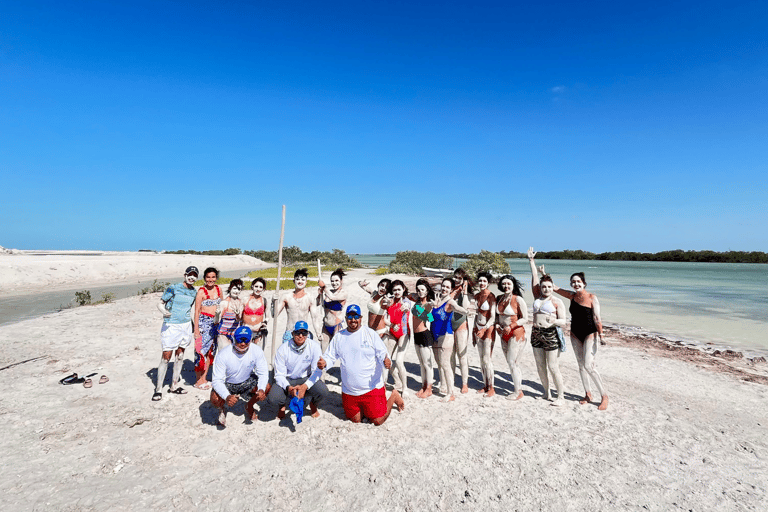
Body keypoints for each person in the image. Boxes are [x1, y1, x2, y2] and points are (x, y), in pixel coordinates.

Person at [299, 305, 404, 425]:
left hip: (371, 388)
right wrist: (324, 363)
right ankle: (367, 408)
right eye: (350, 316)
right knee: (355, 420)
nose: (353, 319)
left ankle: (393, 396)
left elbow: (382, 353)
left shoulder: (370, 334)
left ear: (361, 318)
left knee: (377, 420)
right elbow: (330, 357)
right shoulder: (339, 336)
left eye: (356, 316)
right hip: (350, 391)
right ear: (346, 318)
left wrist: (386, 360)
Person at [530, 248, 608, 410]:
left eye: (578, 282)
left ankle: (604, 395)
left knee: (589, 365)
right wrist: (543, 273)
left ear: (584, 283)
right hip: (574, 333)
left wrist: (601, 336)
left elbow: (597, 318)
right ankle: (588, 393)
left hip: (590, 334)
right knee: (580, 365)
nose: (575, 284)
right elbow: (552, 288)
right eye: (573, 282)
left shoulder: (592, 298)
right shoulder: (572, 296)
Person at [527, 249, 567, 406]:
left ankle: (561, 396)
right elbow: (535, 278)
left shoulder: (557, 301)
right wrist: (531, 261)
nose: (546, 289)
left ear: (552, 287)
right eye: (544, 287)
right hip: (536, 333)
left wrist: (554, 321)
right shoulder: (537, 297)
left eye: (549, 287)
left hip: (551, 334)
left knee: (552, 366)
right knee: (540, 365)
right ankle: (546, 392)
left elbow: (564, 321)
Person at [153, 266, 199, 401]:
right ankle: (158, 389)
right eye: (189, 275)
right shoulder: (173, 288)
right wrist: (164, 312)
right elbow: (160, 303)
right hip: (171, 325)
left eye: (194, 275)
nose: (192, 277)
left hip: (185, 325)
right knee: (166, 357)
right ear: (185, 275)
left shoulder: (193, 292)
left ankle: (174, 385)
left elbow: (189, 309)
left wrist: (192, 326)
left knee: (180, 356)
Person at [268, 321, 329, 419]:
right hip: (288, 379)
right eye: (297, 333)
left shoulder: (314, 347)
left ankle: (313, 404)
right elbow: (279, 375)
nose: (301, 336)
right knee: (273, 398)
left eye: (304, 333)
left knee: (323, 391)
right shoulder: (282, 349)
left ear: (307, 334)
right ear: (292, 334)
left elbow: (316, 372)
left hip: (305, 378)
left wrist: (305, 386)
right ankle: (282, 406)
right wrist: (289, 388)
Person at [210, 326, 269, 427]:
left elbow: (263, 373)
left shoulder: (257, 350)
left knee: (266, 387)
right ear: (233, 339)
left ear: (250, 340)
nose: (242, 343)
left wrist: (261, 389)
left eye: (246, 340)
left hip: (246, 380)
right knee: (214, 398)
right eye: (239, 340)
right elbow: (216, 380)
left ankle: (249, 406)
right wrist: (226, 396)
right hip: (229, 383)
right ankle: (222, 409)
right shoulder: (223, 354)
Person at [431, 277, 467, 402]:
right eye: (443, 286)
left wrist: (465, 311)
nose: (445, 289)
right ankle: (444, 387)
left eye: (447, 287)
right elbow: (432, 319)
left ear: (451, 289)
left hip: (446, 336)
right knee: (440, 364)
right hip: (435, 336)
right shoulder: (437, 300)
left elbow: (458, 308)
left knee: (446, 365)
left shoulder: (450, 302)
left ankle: (451, 393)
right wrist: (428, 309)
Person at [495, 274, 528, 401]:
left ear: (513, 285)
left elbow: (525, 318)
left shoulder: (518, 299)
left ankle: (518, 391)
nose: (506, 286)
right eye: (504, 284)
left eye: (508, 283)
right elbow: (498, 317)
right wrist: (497, 325)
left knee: (512, 362)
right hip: (503, 334)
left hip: (516, 333)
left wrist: (512, 325)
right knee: (511, 363)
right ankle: (517, 388)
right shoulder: (499, 298)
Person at [193, 267, 222, 390]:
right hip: (204, 323)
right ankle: (198, 380)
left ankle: (205, 377)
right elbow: (197, 311)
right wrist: (196, 329)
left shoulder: (219, 289)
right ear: (204, 278)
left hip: (216, 323)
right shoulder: (201, 292)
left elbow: (222, 305)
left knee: (211, 352)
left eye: (213, 277)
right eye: (208, 277)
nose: (211, 279)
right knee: (200, 351)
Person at [381, 280, 412, 395]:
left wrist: (407, 308)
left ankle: (405, 388)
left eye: (399, 289)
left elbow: (407, 306)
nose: (397, 292)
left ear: (403, 289)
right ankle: (397, 382)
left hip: (404, 334)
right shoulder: (389, 301)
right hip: (393, 333)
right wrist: (391, 325)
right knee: (387, 360)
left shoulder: (406, 301)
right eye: (394, 290)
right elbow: (384, 319)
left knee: (399, 361)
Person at [275, 268, 319, 345]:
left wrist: (318, 333)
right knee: (288, 356)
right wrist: (273, 302)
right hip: (290, 332)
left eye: (302, 279)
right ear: (294, 281)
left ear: (306, 282)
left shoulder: (310, 298)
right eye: (297, 279)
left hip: (304, 332)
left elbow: (314, 318)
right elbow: (274, 314)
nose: (300, 281)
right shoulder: (286, 297)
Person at [450, 269, 474, 394]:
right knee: (451, 355)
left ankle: (465, 383)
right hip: (449, 325)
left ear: (464, 279)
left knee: (462, 355)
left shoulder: (467, 293)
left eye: (459, 278)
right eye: (455, 277)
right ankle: (452, 379)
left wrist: (464, 291)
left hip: (461, 325)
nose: (456, 280)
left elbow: (464, 307)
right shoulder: (450, 289)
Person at [473, 271, 497, 397]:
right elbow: (477, 314)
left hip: (488, 330)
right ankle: (485, 385)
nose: (482, 283)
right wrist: (474, 329)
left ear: (488, 283)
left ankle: (491, 387)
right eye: (480, 281)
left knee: (487, 359)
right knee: (481, 360)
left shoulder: (491, 296)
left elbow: (493, 317)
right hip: (478, 328)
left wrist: (484, 328)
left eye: (484, 281)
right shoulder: (477, 296)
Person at [411, 278, 435, 398]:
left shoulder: (429, 304)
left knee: (427, 363)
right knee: (421, 363)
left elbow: (430, 319)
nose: (420, 292)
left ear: (427, 291)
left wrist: (418, 309)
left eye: (422, 290)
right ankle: (423, 385)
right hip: (416, 335)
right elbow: (407, 295)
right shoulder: (417, 302)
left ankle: (429, 388)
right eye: (418, 290)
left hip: (425, 334)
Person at [318, 268, 348, 353]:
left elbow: (333, 297)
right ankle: (325, 367)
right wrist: (319, 294)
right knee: (323, 351)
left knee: (336, 352)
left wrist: (324, 287)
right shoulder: (328, 292)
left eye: (336, 280)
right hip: (326, 326)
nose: (334, 283)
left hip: (337, 326)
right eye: (332, 281)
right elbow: (317, 303)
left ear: (341, 281)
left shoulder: (343, 293)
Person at [216, 279, 244, 349]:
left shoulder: (241, 303)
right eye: (234, 288)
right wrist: (217, 314)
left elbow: (240, 319)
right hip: (223, 334)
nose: (236, 291)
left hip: (236, 334)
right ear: (230, 288)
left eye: (239, 289)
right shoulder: (224, 303)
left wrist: (237, 315)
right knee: (224, 356)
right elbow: (216, 321)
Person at [242, 277, 269, 350]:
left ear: (263, 289)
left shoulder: (264, 300)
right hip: (246, 330)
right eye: (256, 286)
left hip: (259, 331)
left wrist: (264, 324)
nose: (258, 289)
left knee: (258, 353)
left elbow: (267, 316)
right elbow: (240, 316)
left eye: (260, 287)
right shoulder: (245, 299)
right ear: (252, 287)